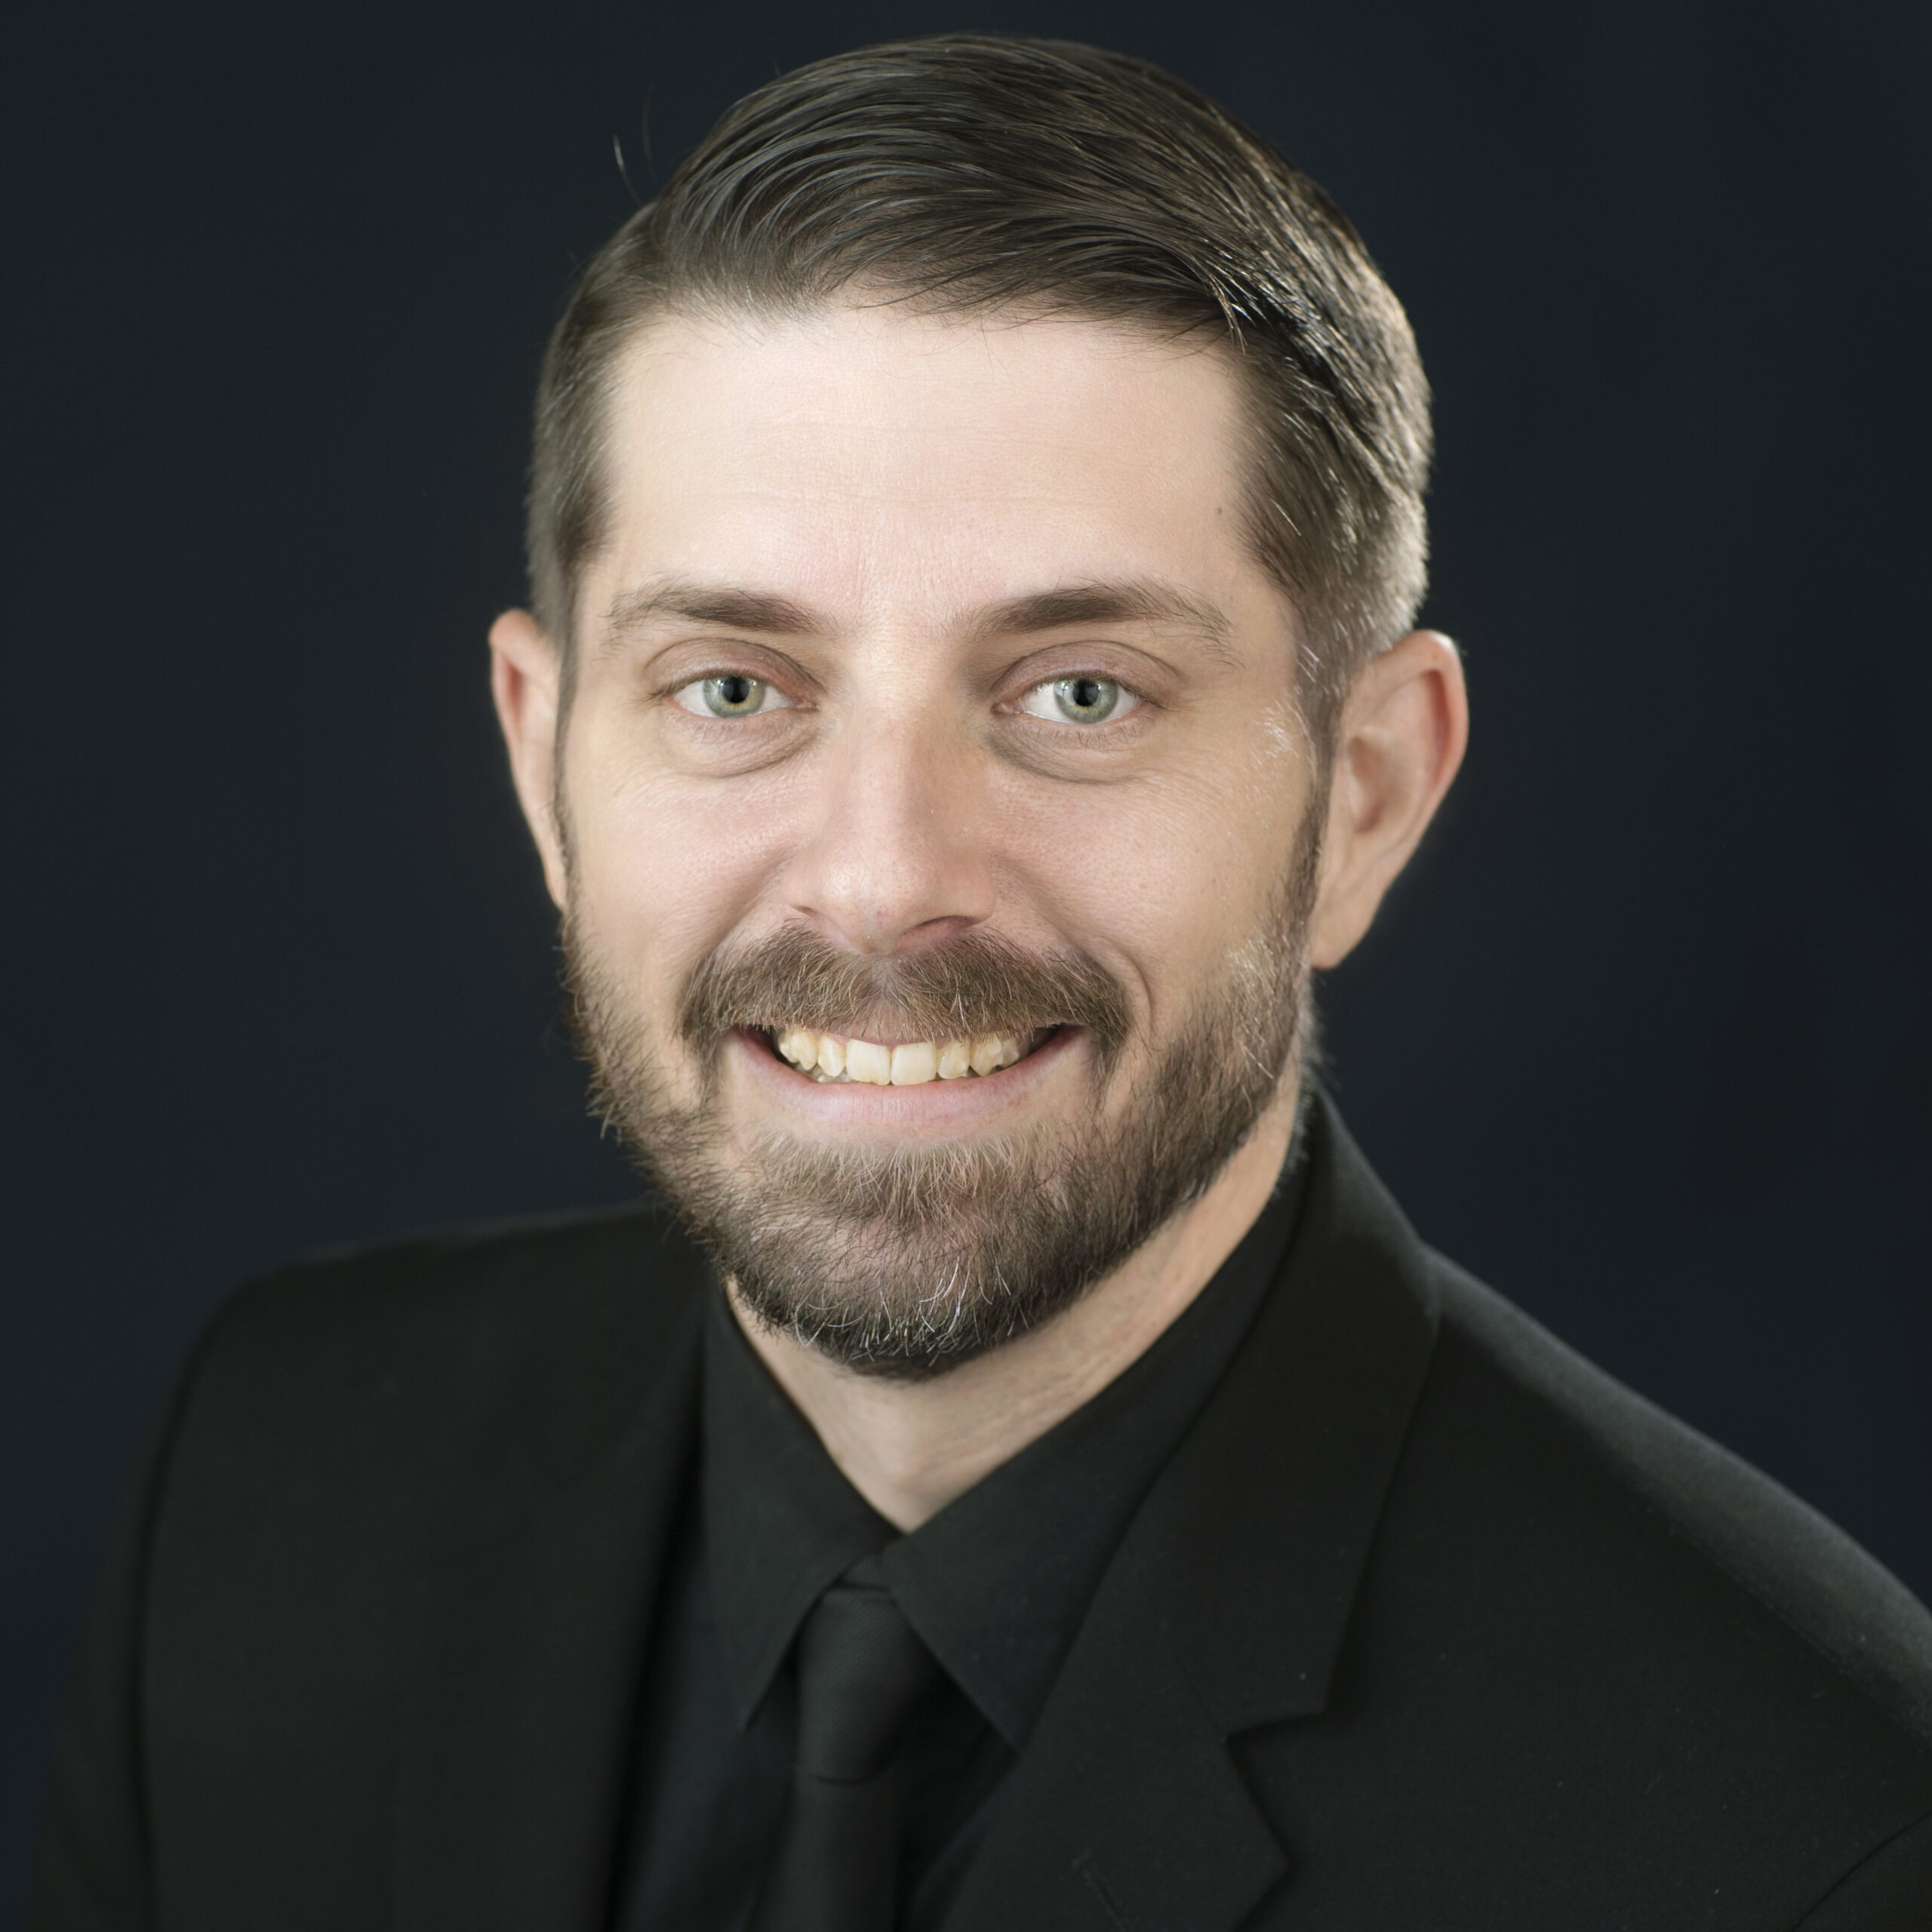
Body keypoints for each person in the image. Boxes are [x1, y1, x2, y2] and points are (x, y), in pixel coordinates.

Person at [32, 33, 1932, 1932]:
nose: (882, 877)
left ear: (1362, 795)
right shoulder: (272, 1474)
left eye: (1078, 692)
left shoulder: (1809, 1840)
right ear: (543, 762)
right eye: (732, 687)